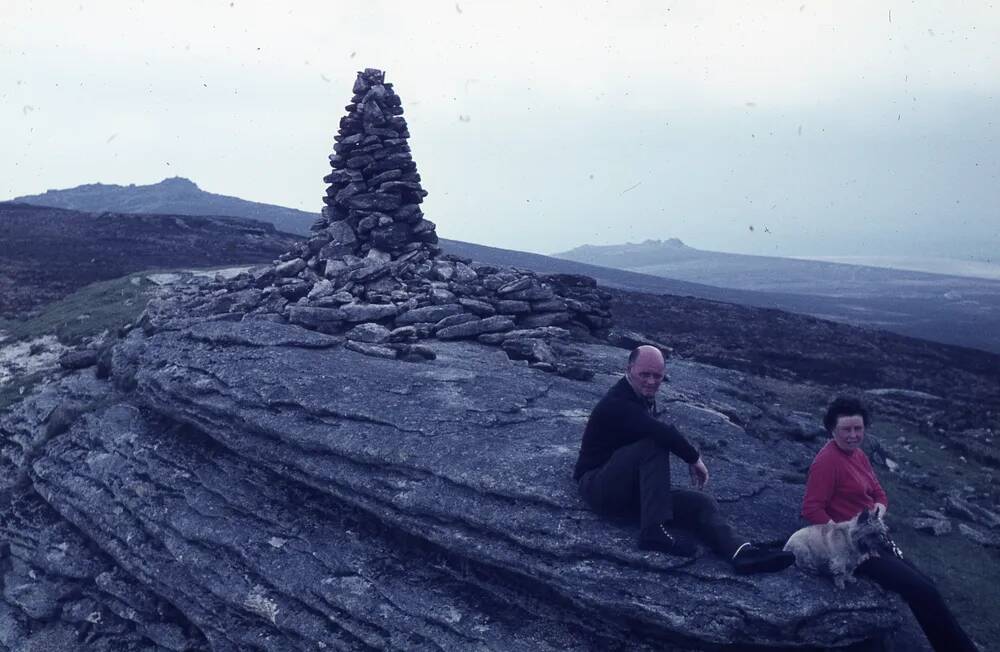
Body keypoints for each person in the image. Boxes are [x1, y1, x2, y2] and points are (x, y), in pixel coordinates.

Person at [573, 345, 794, 574]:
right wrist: (694, 458)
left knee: (700, 502)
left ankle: (741, 553)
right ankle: (653, 531)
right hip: (597, 486)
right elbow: (659, 432)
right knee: (654, 442)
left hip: (629, 490)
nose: (651, 381)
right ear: (629, 370)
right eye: (644, 374)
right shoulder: (618, 402)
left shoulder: (641, 397)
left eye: (657, 376)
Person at [801, 396, 977, 652]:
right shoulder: (826, 462)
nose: (853, 435)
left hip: (875, 538)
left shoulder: (859, 455)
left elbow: (879, 494)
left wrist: (878, 512)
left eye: (858, 428)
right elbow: (811, 508)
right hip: (858, 549)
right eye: (846, 429)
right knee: (924, 592)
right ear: (832, 430)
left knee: (927, 587)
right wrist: (842, 539)